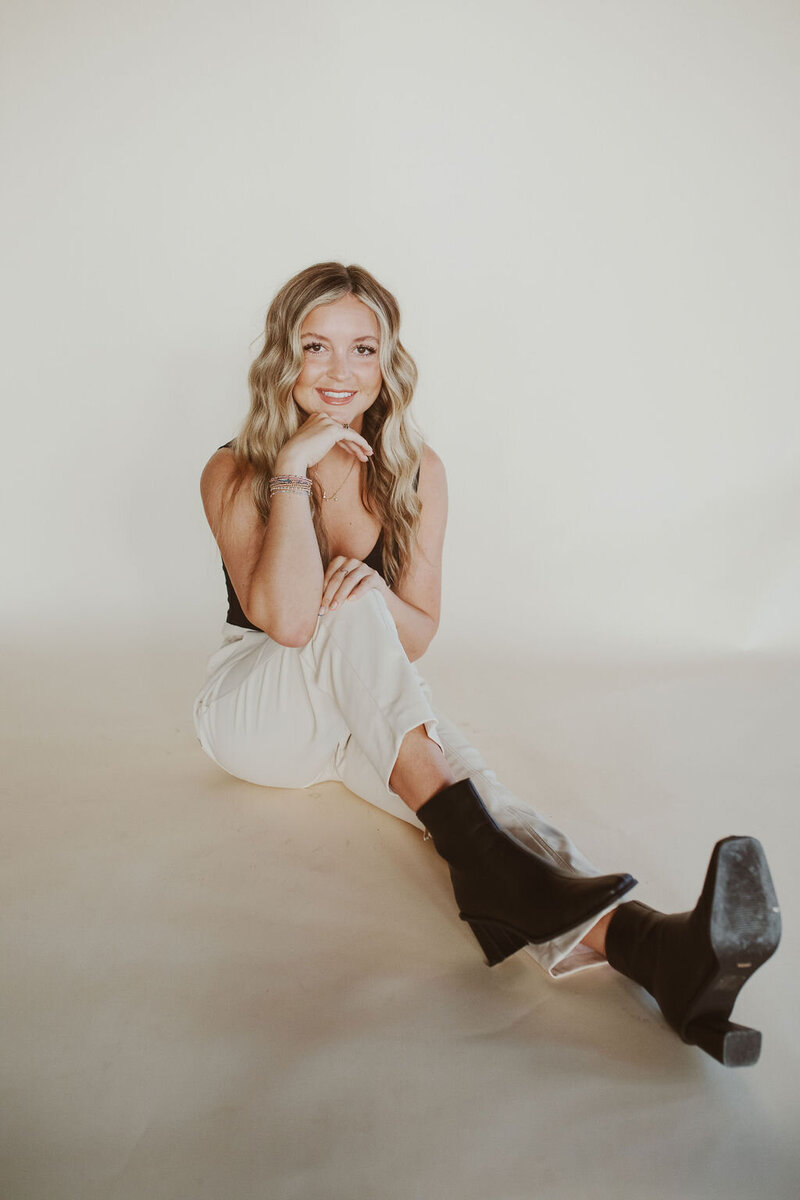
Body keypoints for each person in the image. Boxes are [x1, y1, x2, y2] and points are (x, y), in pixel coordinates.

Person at [192, 261, 781, 1068]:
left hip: (357, 701)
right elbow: (291, 623)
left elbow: (419, 631)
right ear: (281, 358)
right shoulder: (235, 468)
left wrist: (370, 593)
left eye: (362, 350)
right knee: (371, 644)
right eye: (315, 347)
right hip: (255, 709)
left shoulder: (416, 471)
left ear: (388, 361)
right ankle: (502, 878)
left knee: (469, 783)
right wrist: (294, 463)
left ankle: (658, 953)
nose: (339, 373)